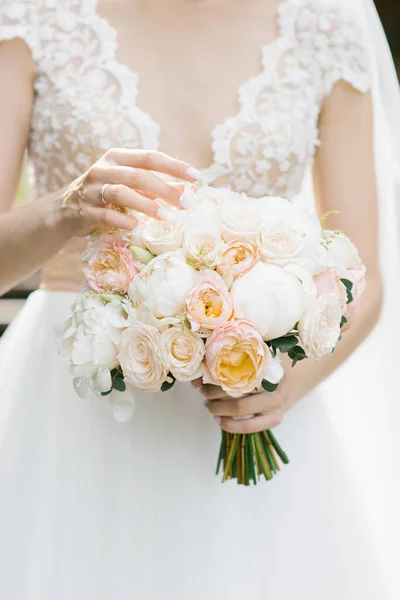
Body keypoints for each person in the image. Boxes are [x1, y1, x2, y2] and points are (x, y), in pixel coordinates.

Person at [0, 0, 396, 598]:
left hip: (253, 416)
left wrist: (282, 381)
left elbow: (362, 276)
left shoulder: (327, 23)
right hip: (69, 415)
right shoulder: (32, 17)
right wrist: (65, 209)